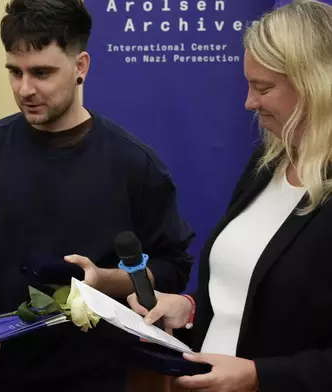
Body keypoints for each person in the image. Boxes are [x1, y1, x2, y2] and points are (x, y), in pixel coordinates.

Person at [0, 0, 194, 391]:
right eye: (15, 72)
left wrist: (106, 279)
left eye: (41, 73)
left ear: (81, 67)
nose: (25, 89)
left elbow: (172, 267)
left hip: (97, 374)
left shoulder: (134, 164)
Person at [126, 1, 332, 391]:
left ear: (316, 82)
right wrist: (188, 308)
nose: (249, 102)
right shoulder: (266, 163)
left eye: (264, 87)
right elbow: (246, 295)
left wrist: (258, 377)